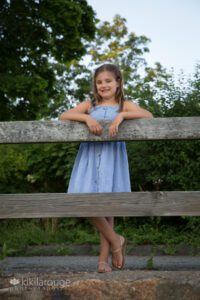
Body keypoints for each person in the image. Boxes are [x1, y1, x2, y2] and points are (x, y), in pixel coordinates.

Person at [60, 63, 153, 273]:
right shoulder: (89, 105)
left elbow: (148, 116)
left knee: (107, 207)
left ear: (118, 83)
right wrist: (86, 117)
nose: (103, 85)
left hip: (112, 158)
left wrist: (121, 117)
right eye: (99, 82)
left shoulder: (124, 105)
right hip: (89, 158)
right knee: (82, 201)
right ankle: (116, 240)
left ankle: (103, 261)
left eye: (108, 81)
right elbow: (64, 116)